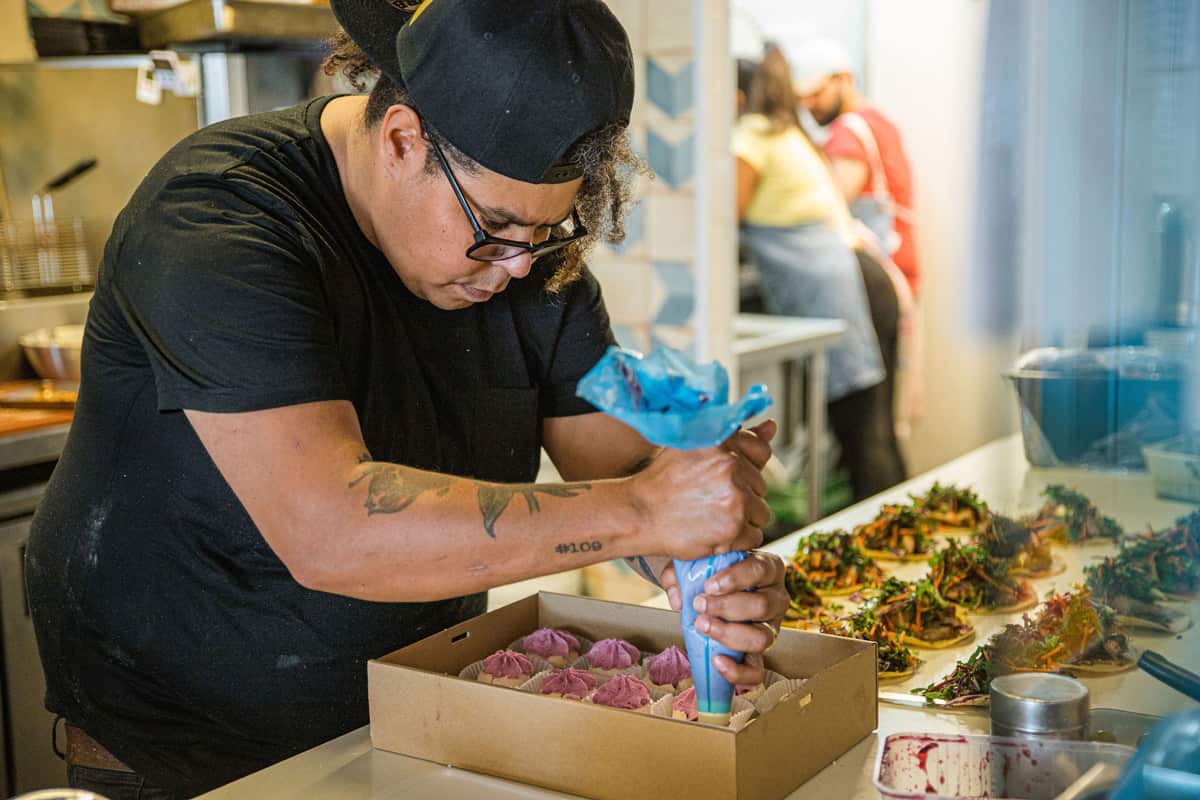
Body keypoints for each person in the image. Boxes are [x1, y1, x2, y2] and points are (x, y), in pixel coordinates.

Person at [25, 1, 789, 796]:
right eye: (496, 226)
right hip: (187, 752)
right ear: (401, 139)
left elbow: (618, 457)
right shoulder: (217, 220)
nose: (520, 268)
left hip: (411, 720)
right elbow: (332, 529)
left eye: (548, 231)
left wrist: (697, 559)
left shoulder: (521, 260)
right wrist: (643, 509)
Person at [734, 46, 904, 501]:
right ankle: (900, 541)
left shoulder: (750, 137)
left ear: (733, 98)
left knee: (862, 434)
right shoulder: (789, 134)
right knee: (873, 428)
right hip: (864, 278)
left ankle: (890, 546)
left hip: (844, 290)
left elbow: (724, 219)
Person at [791, 38, 921, 298]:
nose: (809, 105)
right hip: (899, 263)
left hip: (878, 270)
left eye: (816, 94)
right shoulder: (879, 121)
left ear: (844, 79)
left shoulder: (847, 131)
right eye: (803, 98)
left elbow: (833, 205)